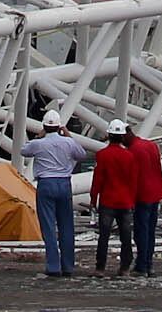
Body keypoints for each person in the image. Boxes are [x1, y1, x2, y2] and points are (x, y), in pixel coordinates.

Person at [19, 112, 93, 277]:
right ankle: (68, 266)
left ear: (44, 126)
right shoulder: (67, 142)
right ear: (60, 127)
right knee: (66, 226)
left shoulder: (38, 144)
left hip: (46, 184)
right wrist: (67, 135)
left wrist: (39, 136)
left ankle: (53, 266)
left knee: (48, 227)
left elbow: (23, 150)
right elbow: (81, 154)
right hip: (64, 183)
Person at [114, 123, 162, 273]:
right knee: (150, 230)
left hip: (142, 194)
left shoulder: (133, 152)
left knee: (141, 231)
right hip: (155, 192)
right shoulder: (150, 145)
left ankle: (142, 265)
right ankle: (148, 263)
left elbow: (131, 177)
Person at [91, 119, 139, 272]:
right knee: (126, 236)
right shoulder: (129, 156)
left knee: (104, 236)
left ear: (109, 135)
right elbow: (133, 180)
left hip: (108, 200)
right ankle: (125, 267)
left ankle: (100, 268)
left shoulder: (102, 155)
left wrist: (93, 199)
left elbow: (98, 179)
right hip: (125, 201)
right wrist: (132, 200)